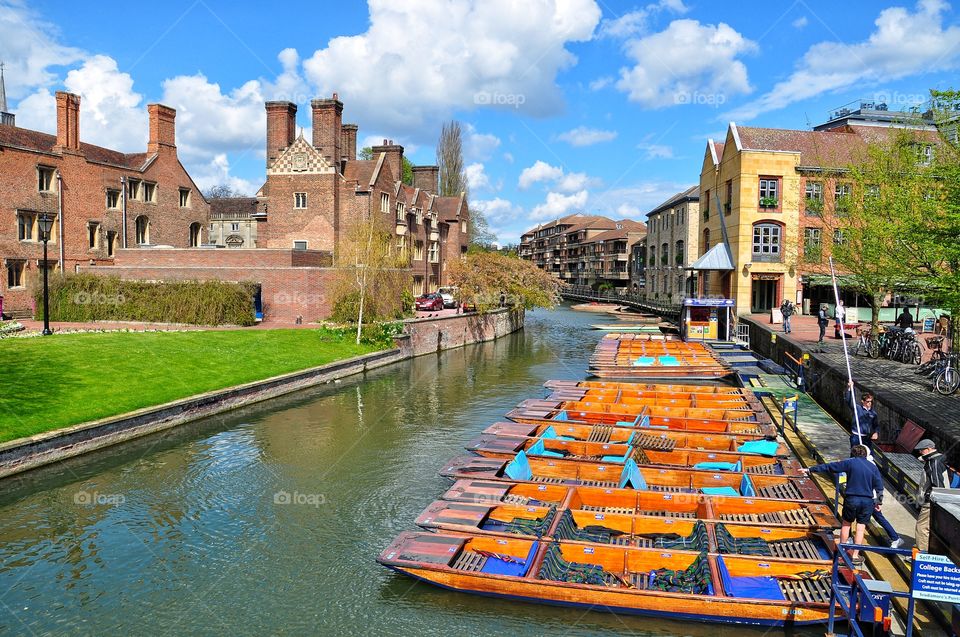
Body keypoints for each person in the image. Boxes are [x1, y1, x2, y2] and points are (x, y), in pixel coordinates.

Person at [801, 444, 884, 563]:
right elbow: (879, 487)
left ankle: (841, 552)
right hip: (867, 501)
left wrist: (810, 469)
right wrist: (879, 502)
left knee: (846, 524)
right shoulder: (873, 467)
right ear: (866, 454)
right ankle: (855, 555)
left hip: (852, 498)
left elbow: (830, 467)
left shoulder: (850, 463)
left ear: (854, 453)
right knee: (860, 528)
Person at [915, 439, 949, 552]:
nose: (920, 452)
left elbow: (938, 485)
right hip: (940, 501)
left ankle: (922, 554)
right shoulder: (938, 460)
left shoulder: (933, 462)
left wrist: (928, 499)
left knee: (922, 527)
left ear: (929, 449)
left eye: (921, 450)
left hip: (932, 502)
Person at [845, 381, 878, 452]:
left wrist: (875, 432)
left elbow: (876, 425)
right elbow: (849, 401)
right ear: (863, 401)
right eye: (868, 401)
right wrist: (850, 388)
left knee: (868, 454)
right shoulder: (857, 408)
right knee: (855, 454)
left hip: (866, 437)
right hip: (856, 436)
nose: (870, 403)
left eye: (871, 402)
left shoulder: (873, 413)